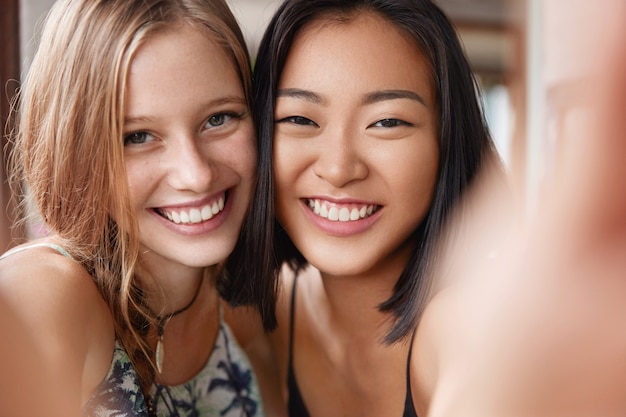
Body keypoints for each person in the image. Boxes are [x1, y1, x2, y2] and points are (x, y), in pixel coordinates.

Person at [0, 0, 277, 416]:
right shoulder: (45, 294)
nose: (196, 174)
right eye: (138, 136)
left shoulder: (238, 306)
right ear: (76, 153)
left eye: (219, 118)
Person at [227, 0, 498, 416]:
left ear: (446, 141)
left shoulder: (469, 324)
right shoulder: (264, 314)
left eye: (387, 122)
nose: (338, 169)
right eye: (300, 119)